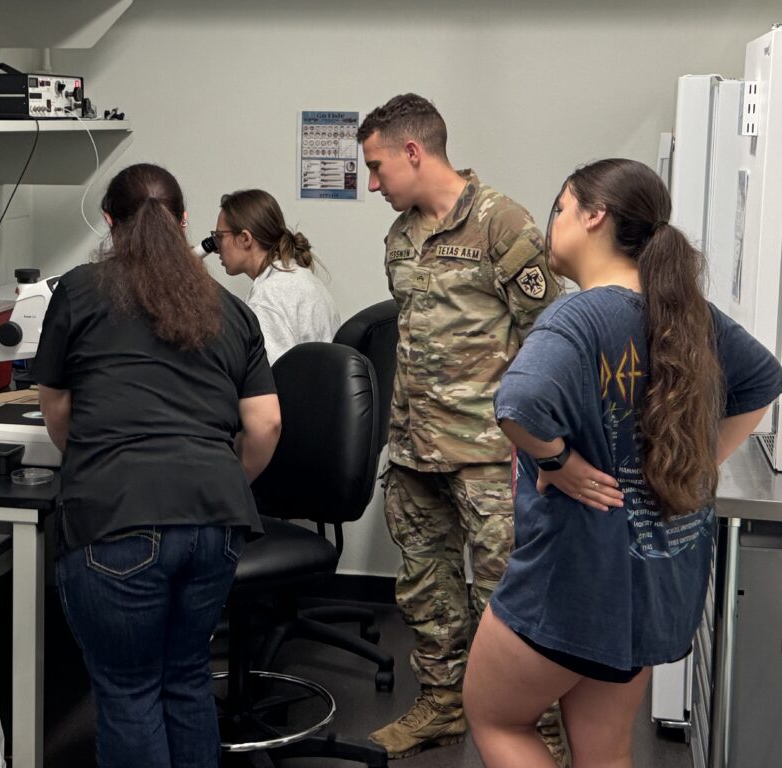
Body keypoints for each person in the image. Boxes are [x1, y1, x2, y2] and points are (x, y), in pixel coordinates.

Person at [463, 158, 782, 767]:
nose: (551, 223)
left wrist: (554, 461)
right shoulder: (689, 316)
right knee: (605, 750)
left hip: (571, 581)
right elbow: (764, 379)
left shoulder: (578, 316)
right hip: (647, 589)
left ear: (593, 216)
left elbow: (518, 403)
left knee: (497, 719)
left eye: (559, 209)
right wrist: (700, 463)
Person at [34, 163, 282, 768]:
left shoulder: (76, 292)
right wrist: (225, 482)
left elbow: (56, 409)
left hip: (114, 521)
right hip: (214, 523)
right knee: (187, 678)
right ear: (183, 224)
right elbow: (266, 424)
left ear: (111, 225)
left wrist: (95, 459)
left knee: (128, 689)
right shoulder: (228, 307)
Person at [356, 92, 563, 761]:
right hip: (415, 451)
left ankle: (539, 732)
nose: (372, 182)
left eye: (378, 165)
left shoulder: (502, 224)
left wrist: (543, 450)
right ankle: (442, 707)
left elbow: (548, 340)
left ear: (414, 152)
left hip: (488, 457)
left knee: (508, 598)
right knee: (427, 589)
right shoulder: (401, 234)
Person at [212, 188, 340, 363]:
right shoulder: (307, 279)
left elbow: (268, 381)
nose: (215, 248)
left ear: (245, 238)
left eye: (219, 237)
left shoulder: (267, 297)